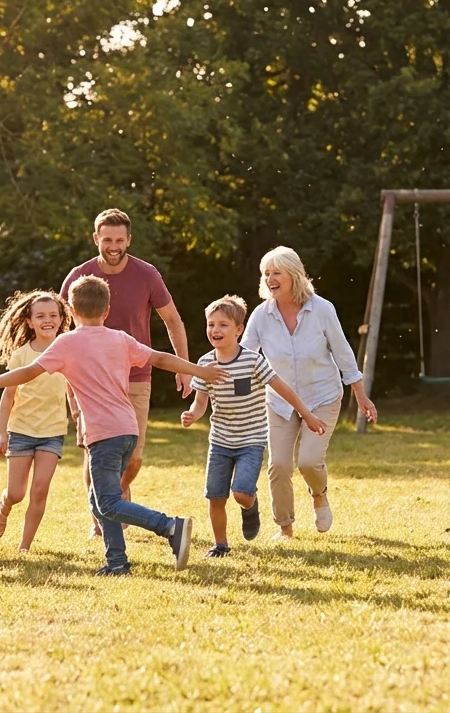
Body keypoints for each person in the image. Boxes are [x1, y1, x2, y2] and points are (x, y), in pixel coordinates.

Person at [0, 276, 227, 575]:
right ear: (107, 310)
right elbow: (161, 359)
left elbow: (27, 374)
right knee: (101, 501)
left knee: (108, 502)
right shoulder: (120, 338)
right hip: (127, 430)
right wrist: (199, 370)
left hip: (104, 434)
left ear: (70, 311)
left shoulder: (66, 343)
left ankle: (169, 526)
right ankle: (117, 562)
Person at [61, 208, 189, 534]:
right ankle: (102, 521)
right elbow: (58, 324)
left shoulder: (147, 275)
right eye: (107, 240)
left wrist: (184, 367)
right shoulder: (80, 275)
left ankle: (117, 498)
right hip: (86, 381)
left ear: (129, 239)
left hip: (135, 376)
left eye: (120, 240)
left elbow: (172, 319)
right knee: (95, 452)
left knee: (133, 456)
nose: (114, 246)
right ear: (96, 239)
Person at [239, 246, 378, 538]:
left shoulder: (322, 309)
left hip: (322, 396)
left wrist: (361, 396)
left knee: (308, 462)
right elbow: (245, 357)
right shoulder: (261, 315)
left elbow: (343, 353)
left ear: (294, 275)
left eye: (276, 273)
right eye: (266, 274)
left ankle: (319, 495)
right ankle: (285, 528)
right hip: (280, 401)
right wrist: (230, 389)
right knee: (278, 465)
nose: (270, 279)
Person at [181, 295, 328, 558]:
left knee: (241, 493)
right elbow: (200, 402)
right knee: (215, 496)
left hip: (251, 440)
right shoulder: (204, 364)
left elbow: (284, 390)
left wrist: (308, 415)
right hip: (220, 441)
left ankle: (250, 506)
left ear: (239, 330)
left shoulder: (252, 361)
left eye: (223, 325)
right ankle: (221, 545)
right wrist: (192, 414)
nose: (215, 330)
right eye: (211, 324)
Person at [0, 290, 73, 551]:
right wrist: (2, 433)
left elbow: (75, 389)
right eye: (40, 316)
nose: (48, 320)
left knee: (40, 490)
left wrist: (80, 417)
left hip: (53, 432)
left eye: (53, 315)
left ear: (61, 319)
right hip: (21, 431)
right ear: (30, 321)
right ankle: (4, 507)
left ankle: (25, 546)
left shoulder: (68, 350)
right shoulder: (21, 355)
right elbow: (8, 396)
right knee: (16, 493)